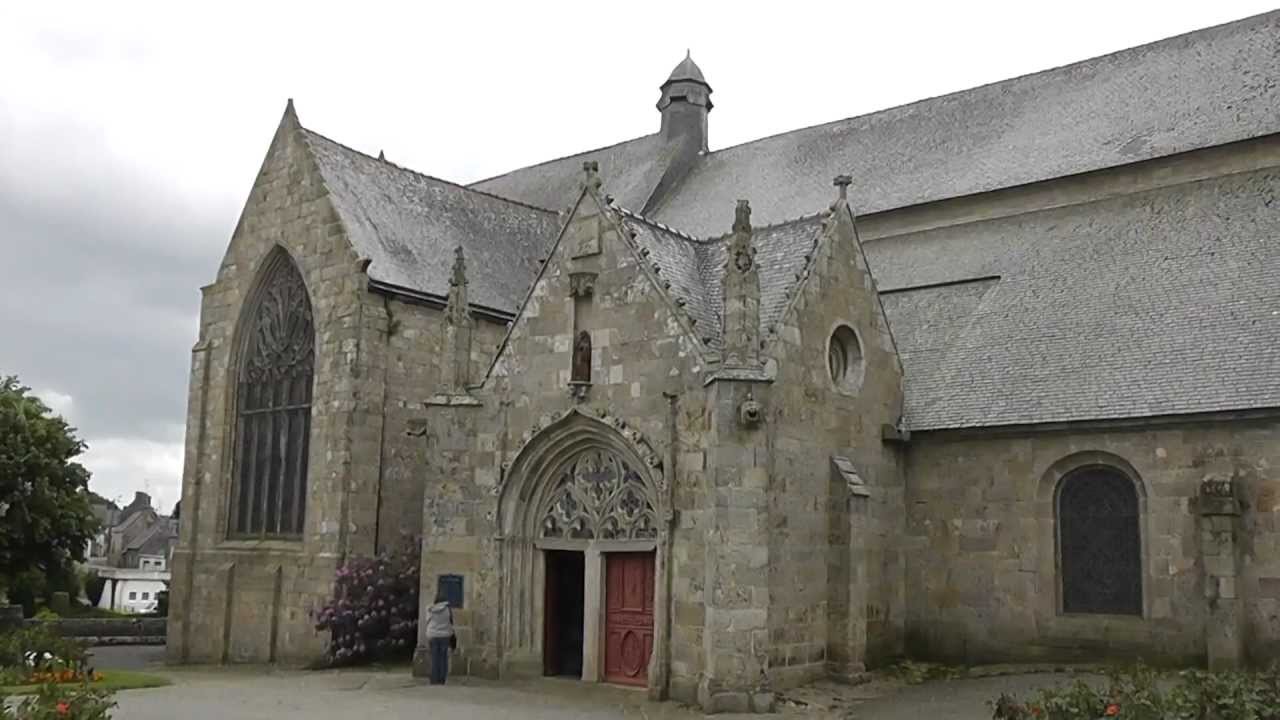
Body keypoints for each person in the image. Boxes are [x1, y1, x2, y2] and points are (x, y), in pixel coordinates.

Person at [424, 592, 455, 685]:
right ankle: (442, 679)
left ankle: (434, 679)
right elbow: (451, 621)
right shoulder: (448, 609)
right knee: (443, 658)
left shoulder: (430, 609)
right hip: (444, 635)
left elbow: (427, 620)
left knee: (434, 657)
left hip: (433, 635)